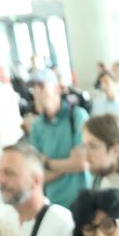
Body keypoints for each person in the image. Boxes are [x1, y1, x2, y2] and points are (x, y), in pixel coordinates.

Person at [27, 69, 91, 207]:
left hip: (83, 201)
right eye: (34, 88)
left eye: (42, 86)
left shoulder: (77, 116)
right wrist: (69, 164)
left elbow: (83, 163)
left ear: (57, 89)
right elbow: (38, 174)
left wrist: (48, 162)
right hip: (55, 203)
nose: (37, 93)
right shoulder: (37, 126)